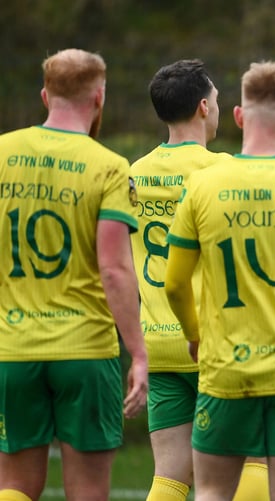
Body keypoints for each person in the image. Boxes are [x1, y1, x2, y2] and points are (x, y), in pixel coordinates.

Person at [132, 59, 275, 501]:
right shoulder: (218, 174)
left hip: (161, 339)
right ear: (206, 108)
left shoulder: (133, 175)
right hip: (224, 340)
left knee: (170, 478)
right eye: (216, 101)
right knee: (253, 463)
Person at [0, 49, 148, 501]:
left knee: (14, 487)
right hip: (85, 352)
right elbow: (115, 268)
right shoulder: (107, 166)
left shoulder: (2, 152)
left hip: (12, 348)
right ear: (99, 97)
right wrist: (138, 352)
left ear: (45, 95)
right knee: (86, 492)